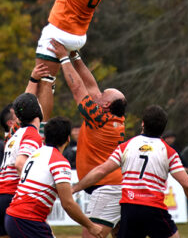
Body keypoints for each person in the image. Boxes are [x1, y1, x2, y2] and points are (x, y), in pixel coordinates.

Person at [72, 105, 188, 238]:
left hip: (129, 208)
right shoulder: (169, 152)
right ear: (163, 128)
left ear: (143, 124)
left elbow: (101, 171)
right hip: (153, 208)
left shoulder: (125, 147)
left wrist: (75, 188)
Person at [50, 40, 126, 238]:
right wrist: (75, 56)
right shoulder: (115, 118)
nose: (98, 94)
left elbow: (78, 89)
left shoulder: (98, 118)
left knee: (90, 235)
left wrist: (64, 58)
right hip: (116, 185)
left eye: (103, 95)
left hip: (107, 187)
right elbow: (91, 85)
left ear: (105, 105)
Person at [5, 116, 104, 238]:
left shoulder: (36, 153)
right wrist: (91, 226)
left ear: (45, 137)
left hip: (13, 216)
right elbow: (68, 204)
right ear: (68, 139)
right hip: (27, 220)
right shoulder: (59, 161)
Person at [0, 91, 44, 238]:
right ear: (38, 111)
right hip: (12, 196)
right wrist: (32, 191)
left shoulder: (14, 135)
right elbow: (20, 164)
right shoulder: (32, 134)